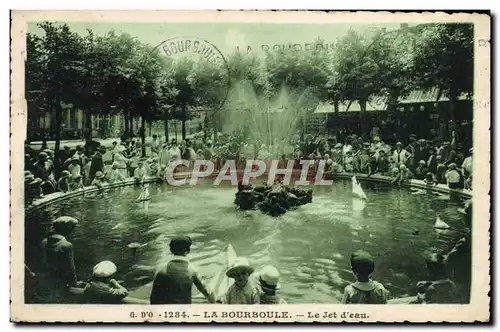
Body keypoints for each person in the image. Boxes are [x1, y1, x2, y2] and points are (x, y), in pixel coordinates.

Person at [150, 236, 215, 304]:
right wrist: (213, 300)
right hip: (184, 309)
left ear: (171, 250)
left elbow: (154, 295)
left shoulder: (161, 269)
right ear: (188, 251)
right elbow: (206, 291)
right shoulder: (192, 270)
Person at [42, 216, 84, 289]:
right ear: (68, 229)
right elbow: (70, 268)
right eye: (72, 228)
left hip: (47, 279)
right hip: (61, 282)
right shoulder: (66, 245)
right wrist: (74, 284)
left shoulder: (44, 242)